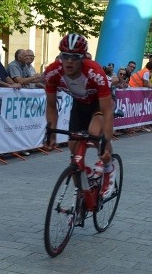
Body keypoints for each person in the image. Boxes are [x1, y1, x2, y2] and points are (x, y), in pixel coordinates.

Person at [44, 34, 116, 202]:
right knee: (74, 148)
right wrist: (51, 134)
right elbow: (51, 105)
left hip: (99, 103)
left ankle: (108, 168)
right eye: (65, 56)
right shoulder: (52, 73)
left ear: (83, 58)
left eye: (75, 57)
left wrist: (106, 142)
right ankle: (84, 181)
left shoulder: (94, 72)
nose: (69, 61)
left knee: (93, 132)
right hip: (80, 105)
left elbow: (107, 112)